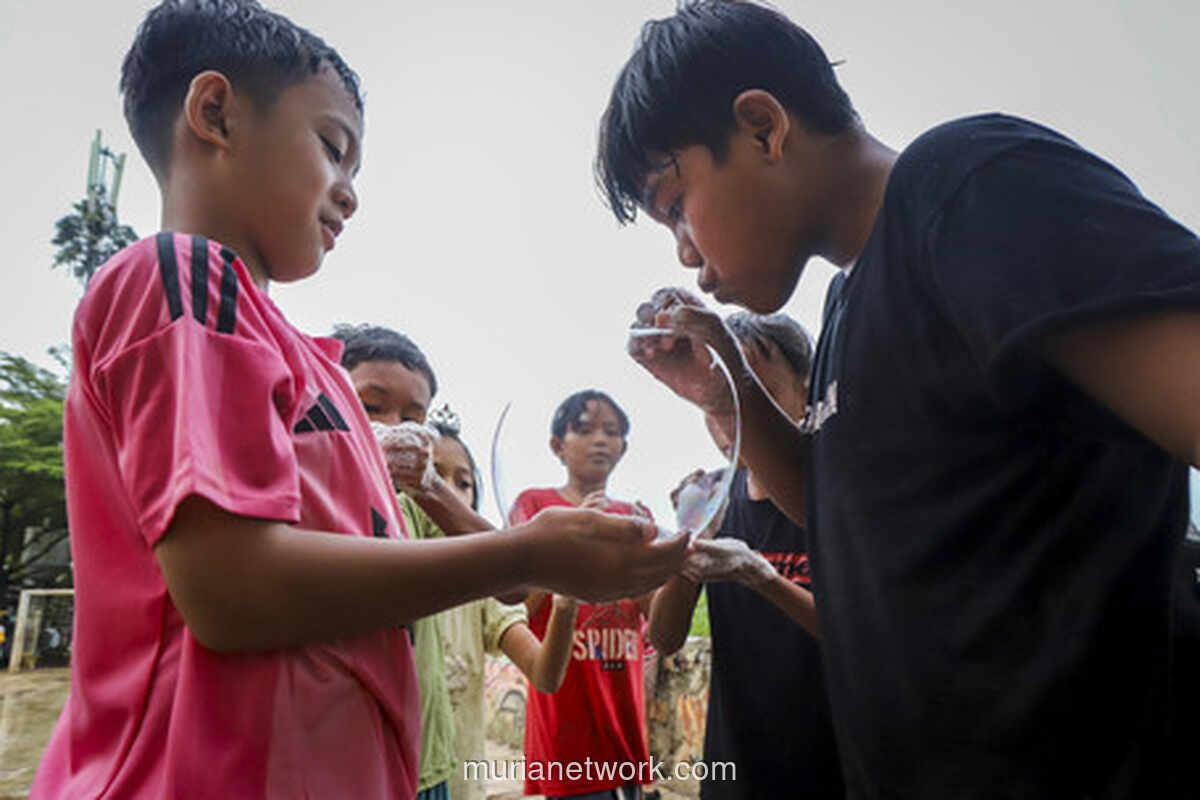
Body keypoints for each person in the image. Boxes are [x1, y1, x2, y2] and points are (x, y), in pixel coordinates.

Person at [30, 2, 688, 797]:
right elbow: (232, 589)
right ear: (215, 114)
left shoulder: (309, 365)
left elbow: (426, 582)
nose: (349, 194)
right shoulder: (180, 276)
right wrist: (526, 550)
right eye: (333, 149)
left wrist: (532, 557)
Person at [596, 1, 1200, 797]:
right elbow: (842, 508)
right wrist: (730, 388)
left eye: (676, 205)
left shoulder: (971, 188)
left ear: (762, 128)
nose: (686, 255)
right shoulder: (851, 302)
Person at [333, 324, 579, 800]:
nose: (392, 427)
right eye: (372, 407)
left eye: (412, 416)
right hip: (339, 765)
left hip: (425, 769)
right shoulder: (307, 494)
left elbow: (510, 584)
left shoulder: (411, 508)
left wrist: (427, 483)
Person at [651, 309, 842, 799]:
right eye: (718, 402)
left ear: (810, 391)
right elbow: (666, 636)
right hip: (734, 767)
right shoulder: (715, 500)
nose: (737, 422)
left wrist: (762, 576)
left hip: (832, 765)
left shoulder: (834, 497)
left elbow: (853, 635)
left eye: (759, 396)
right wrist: (685, 538)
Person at [510, 390, 655, 800]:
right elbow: (515, 604)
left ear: (623, 448)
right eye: (585, 429)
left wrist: (650, 552)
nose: (600, 440)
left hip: (624, 719)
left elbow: (655, 619)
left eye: (611, 432)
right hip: (565, 723)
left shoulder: (632, 518)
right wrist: (573, 535)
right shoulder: (536, 507)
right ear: (558, 445)